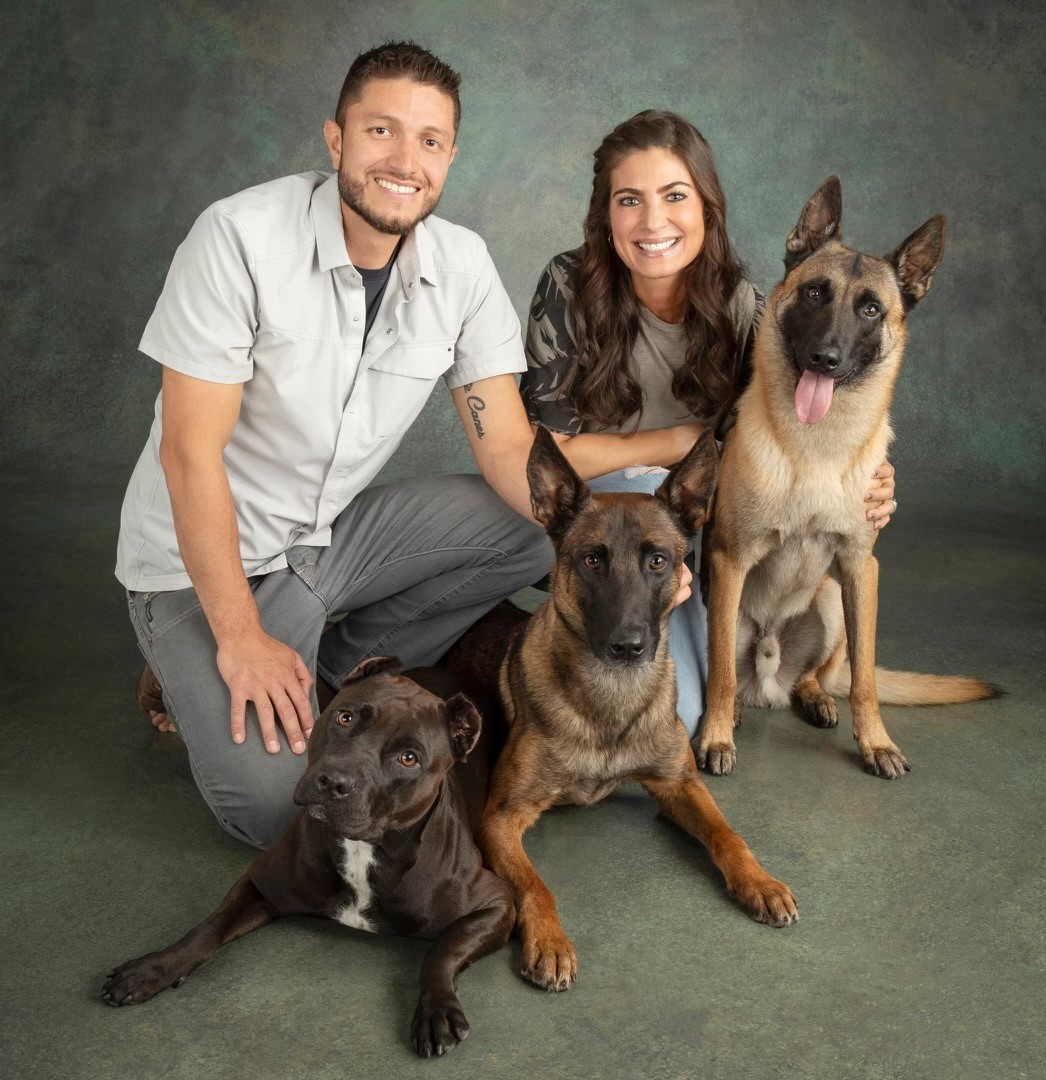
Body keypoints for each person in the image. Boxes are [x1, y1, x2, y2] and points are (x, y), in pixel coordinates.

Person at [115, 42, 568, 850]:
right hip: (197, 566)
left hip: (324, 545)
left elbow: (509, 450)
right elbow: (190, 459)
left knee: (540, 531)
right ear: (335, 141)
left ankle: (329, 661)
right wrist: (241, 638)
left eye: (429, 141)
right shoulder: (238, 237)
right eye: (381, 131)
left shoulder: (461, 265)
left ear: (451, 157)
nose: (405, 160)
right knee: (280, 811)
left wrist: (614, 546)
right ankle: (195, 652)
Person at [519, 110, 897, 734]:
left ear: (706, 207)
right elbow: (547, 454)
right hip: (592, 518)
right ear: (604, 214)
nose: (653, 222)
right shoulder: (566, 287)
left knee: (687, 717)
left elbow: (798, 419)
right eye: (629, 200)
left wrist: (872, 473)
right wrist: (675, 442)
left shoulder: (743, 307)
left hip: (683, 530)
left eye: (675, 196)